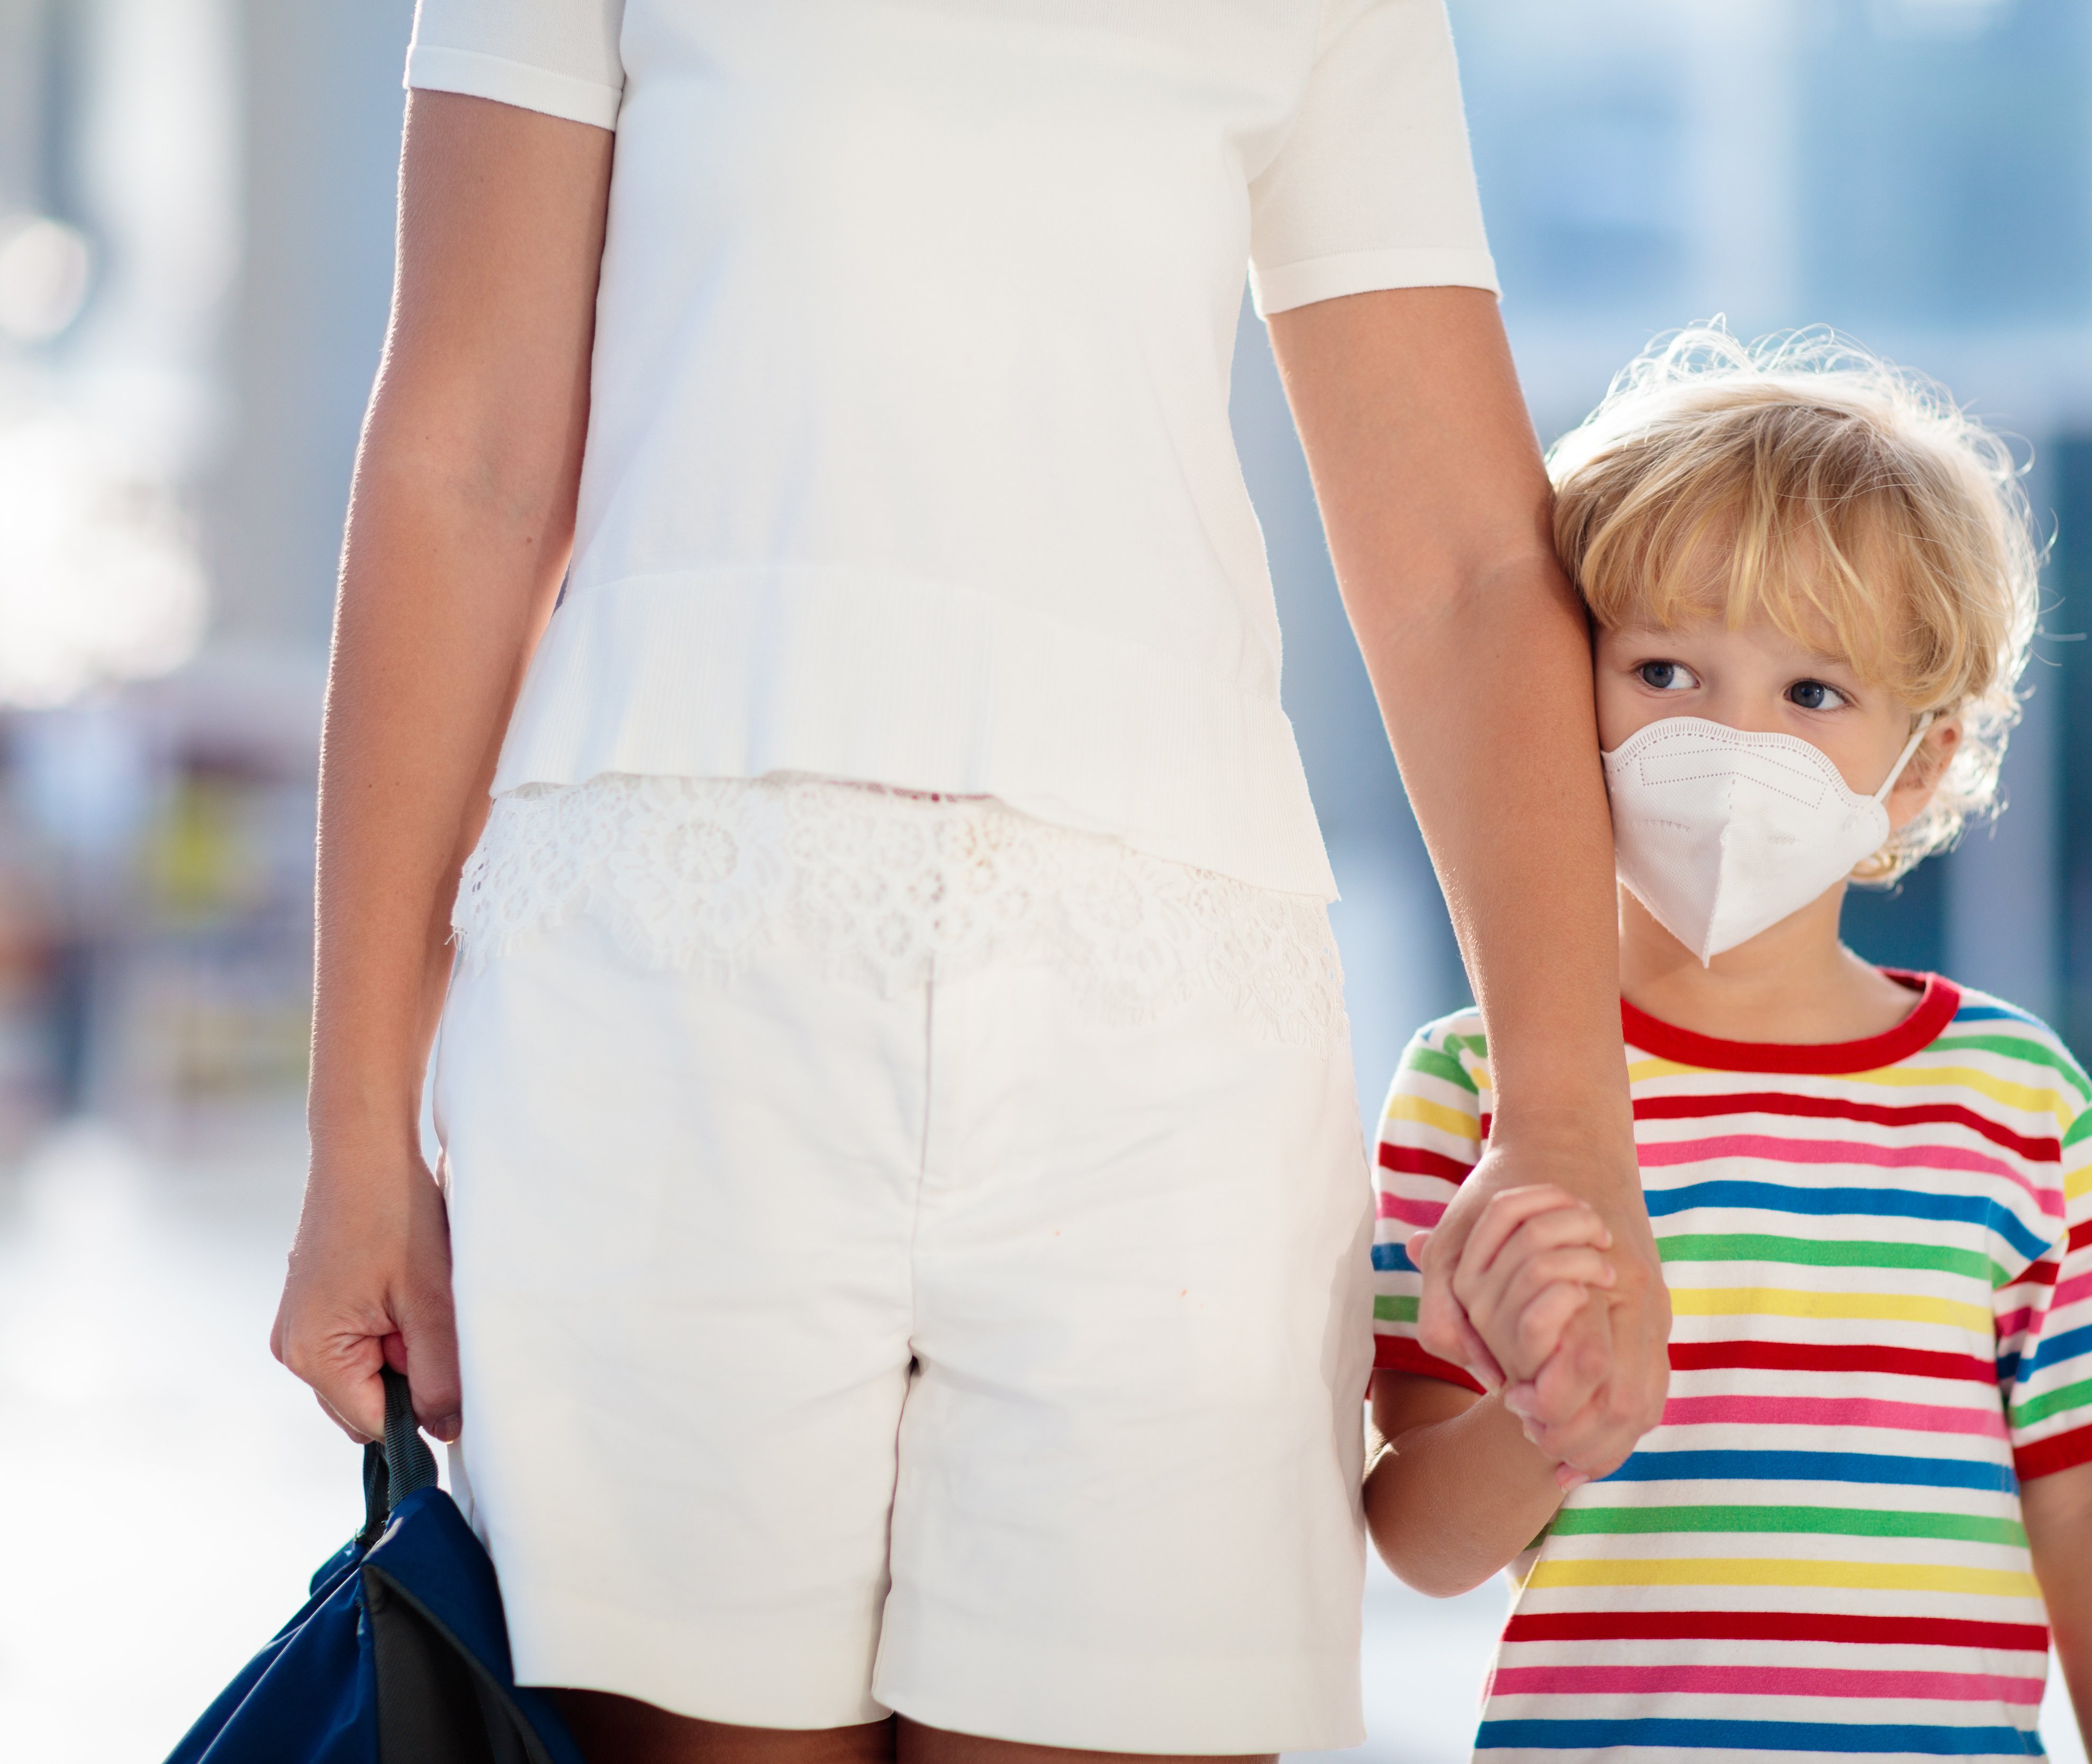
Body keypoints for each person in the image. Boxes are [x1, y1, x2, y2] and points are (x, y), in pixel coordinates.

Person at [268, 5, 1672, 1762]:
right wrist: (356, 1141)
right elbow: (462, 463)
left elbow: (1467, 564)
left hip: (1164, 1024)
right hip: (671, 1010)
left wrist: (1568, 1127)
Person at [1362, 327, 2092, 1763]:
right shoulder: (1478, 1086)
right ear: (1561, 688)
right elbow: (1417, 1541)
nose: (1728, 742)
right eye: (1665, 671)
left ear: (1920, 762)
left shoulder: (2011, 1101)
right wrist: (1544, 1416)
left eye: (1814, 695)